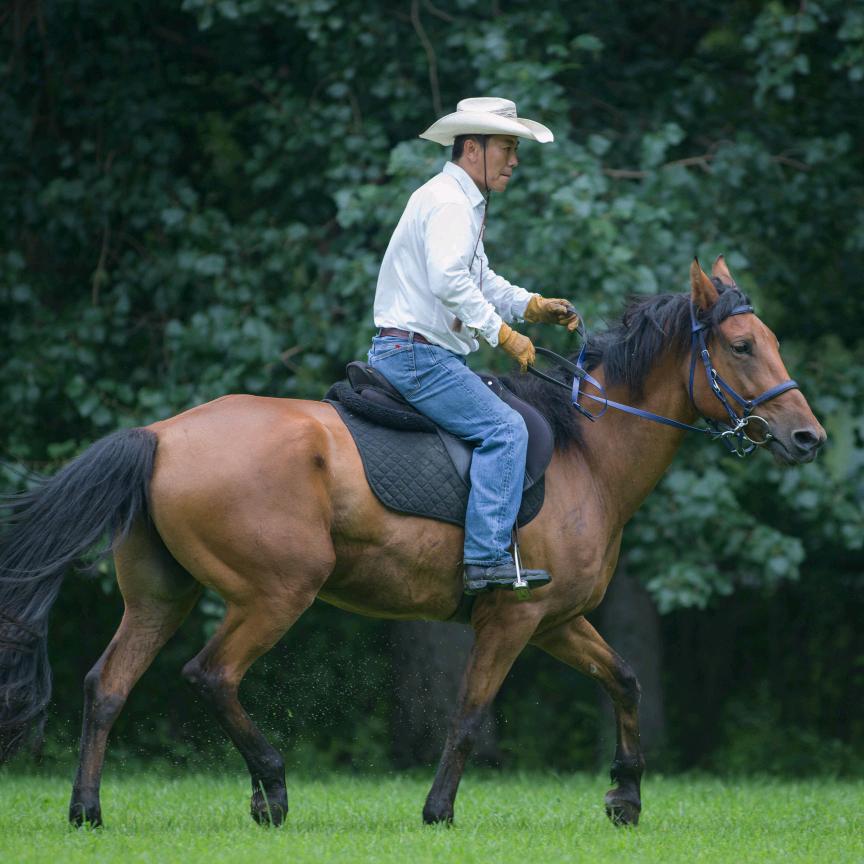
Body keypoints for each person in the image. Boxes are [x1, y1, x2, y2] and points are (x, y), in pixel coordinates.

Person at [369, 97, 579, 595]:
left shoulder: (458, 200)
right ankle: (485, 560)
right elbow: (449, 282)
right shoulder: (450, 203)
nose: (514, 161)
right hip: (419, 357)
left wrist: (531, 307)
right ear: (471, 148)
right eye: (507, 148)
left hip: (418, 352)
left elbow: (478, 280)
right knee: (506, 431)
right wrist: (504, 336)